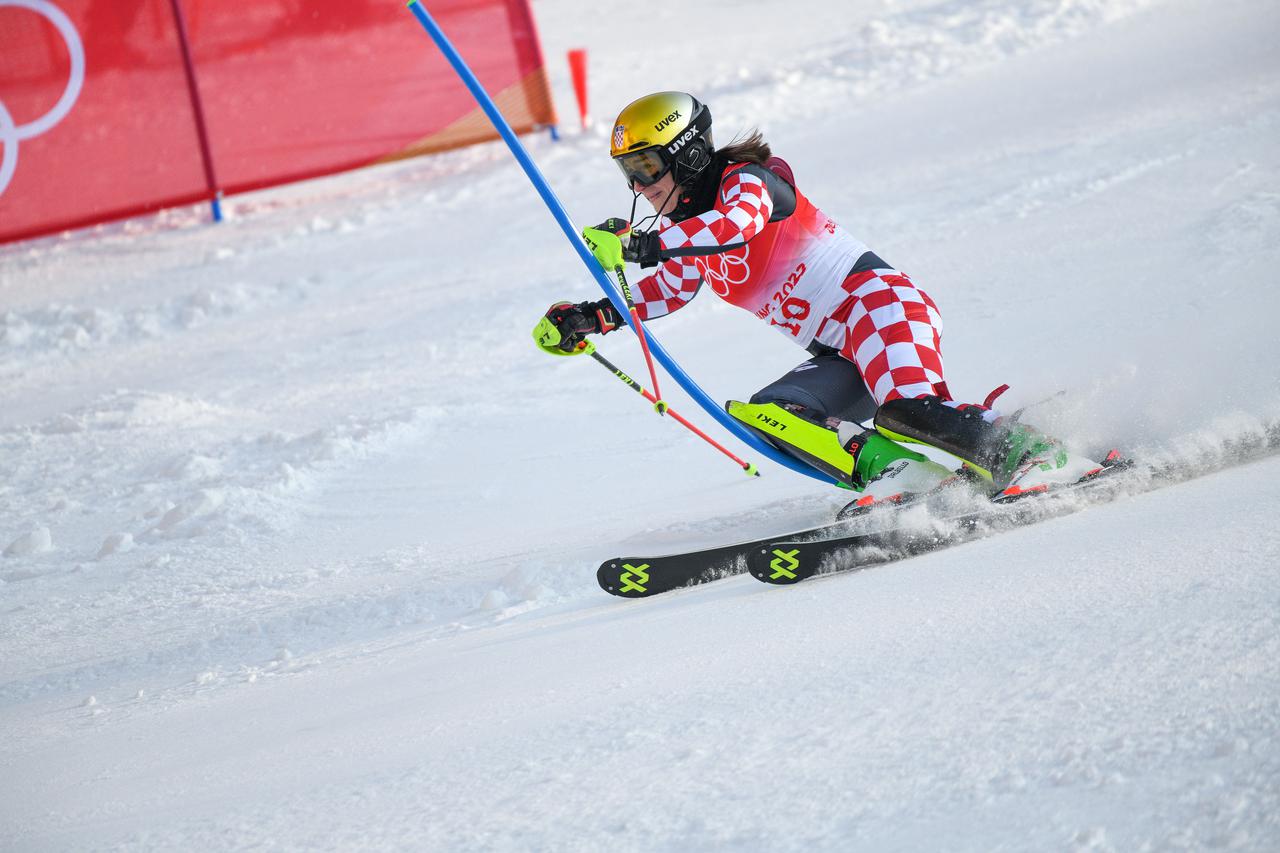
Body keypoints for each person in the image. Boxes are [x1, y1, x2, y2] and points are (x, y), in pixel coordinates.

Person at [533, 91, 1102, 507]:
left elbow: (739, 223)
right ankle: (907, 480)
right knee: (771, 416)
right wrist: (593, 317)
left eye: (646, 165)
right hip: (839, 353)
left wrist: (641, 244)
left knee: (903, 409)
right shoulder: (686, 227)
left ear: (686, 154)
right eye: (627, 172)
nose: (638, 185)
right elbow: (670, 289)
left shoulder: (749, 181)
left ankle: (1037, 451)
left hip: (877, 306)